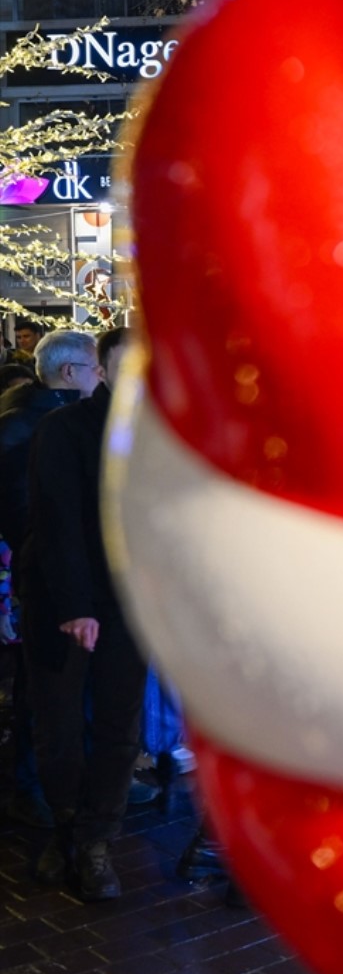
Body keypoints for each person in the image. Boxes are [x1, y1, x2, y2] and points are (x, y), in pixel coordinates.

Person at [22, 327, 148, 899]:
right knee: (60, 727)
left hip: (130, 605)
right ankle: (67, 828)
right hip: (65, 602)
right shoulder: (63, 427)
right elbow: (57, 521)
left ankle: (97, 841)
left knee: (121, 728)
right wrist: (75, 607)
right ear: (103, 367)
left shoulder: (156, 437)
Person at [0, 330, 100, 830]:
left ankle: (53, 784)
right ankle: (36, 789)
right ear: (70, 373)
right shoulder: (36, 427)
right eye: (95, 370)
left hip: (47, 573)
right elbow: (25, 515)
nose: (100, 379)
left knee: (50, 686)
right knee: (45, 689)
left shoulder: (29, 419)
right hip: (42, 578)